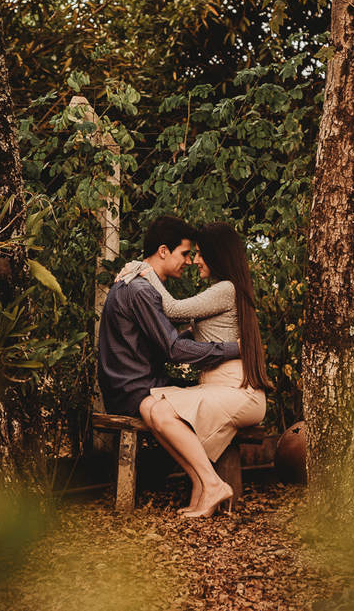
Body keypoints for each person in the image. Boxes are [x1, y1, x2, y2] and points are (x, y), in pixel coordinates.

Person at [119, 221, 274, 518]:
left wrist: (144, 270)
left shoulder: (225, 289)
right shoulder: (220, 292)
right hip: (219, 388)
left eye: (200, 253)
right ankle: (202, 485)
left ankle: (214, 485)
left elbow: (173, 310)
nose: (195, 261)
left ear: (217, 254)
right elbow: (178, 340)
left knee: (161, 411)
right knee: (150, 406)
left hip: (239, 390)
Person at [97, 215, 241, 421]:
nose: (190, 261)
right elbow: (173, 349)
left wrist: (193, 332)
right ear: (164, 251)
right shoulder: (141, 290)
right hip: (135, 394)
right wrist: (234, 348)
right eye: (185, 254)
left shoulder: (141, 287)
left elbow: (163, 347)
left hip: (135, 387)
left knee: (210, 395)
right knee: (216, 402)